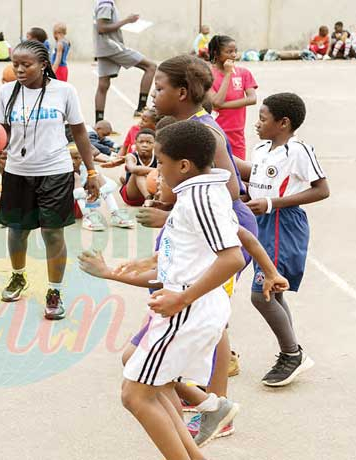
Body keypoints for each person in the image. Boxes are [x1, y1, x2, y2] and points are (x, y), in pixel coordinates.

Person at [81, 120, 244, 460]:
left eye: (161, 162)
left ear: (183, 166)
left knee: (135, 396)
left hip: (187, 310)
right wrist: (150, 259)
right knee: (152, 390)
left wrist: (181, 298)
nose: (157, 170)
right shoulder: (201, 193)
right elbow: (193, 247)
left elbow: (231, 259)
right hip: (189, 307)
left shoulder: (199, 198)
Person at [135, 54, 259, 444]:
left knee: (211, 315)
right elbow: (237, 168)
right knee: (202, 311)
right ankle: (201, 395)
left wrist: (171, 210)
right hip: (200, 232)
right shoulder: (189, 128)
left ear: (182, 93)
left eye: (159, 89)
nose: (154, 95)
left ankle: (217, 407)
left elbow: (228, 191)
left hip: (221, 235)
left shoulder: (203, 130)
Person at [0, 40, 100, 320]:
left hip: (55, 170)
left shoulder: (64, 91)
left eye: (26, 64)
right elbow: (1, 131)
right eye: (15, 64)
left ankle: (54, 291)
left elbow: (79, 132)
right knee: (17, 231)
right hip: (18, 171)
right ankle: (18, 277)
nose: (19, 69)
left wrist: (91, 171)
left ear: (43, 64)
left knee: (52, 232)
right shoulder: (6, 92)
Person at [244, 92, 329, 387]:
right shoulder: (261, 149)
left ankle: (292, 354)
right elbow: (255, 183)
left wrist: (272, 203)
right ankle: (291, 353)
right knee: (274, 291)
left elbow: (321, 190)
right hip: (261, 223)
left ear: (283, 123)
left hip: (283, 223)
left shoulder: (298, 150)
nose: (257, 124)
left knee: (262, 293)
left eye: (263, 118)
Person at [94, 0, 158, 121]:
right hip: (112, 47)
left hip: (103, 48)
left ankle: (99, 123)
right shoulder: (106, 4)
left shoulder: (102, 3)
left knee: (103, 84)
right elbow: (102, 28)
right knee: (151, 67)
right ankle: (141, 107)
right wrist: (127, 21)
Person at [207, 35, 258, 160]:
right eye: (229, 52)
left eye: (235, 51)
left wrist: (223, 106)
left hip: (237, 134)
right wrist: (228, 74)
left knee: (239, 172)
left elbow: (252, 99)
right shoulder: (207, 74)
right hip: (215, 132)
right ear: (216, 53)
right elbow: (216, 101)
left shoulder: (243, 73)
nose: (234, 55)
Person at [71, 146, 134, 231]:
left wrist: (97, 191)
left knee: (96, 177)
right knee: (77, 178)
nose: (72, 162)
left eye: (76, 158)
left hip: (83, 204)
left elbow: (109, 185)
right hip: (66, 208)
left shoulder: (85, 168)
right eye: (69, 158)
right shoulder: (61, 170)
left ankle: (114, 213)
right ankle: (87, 217)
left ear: (82, 159)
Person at [106, 127, 156, 206]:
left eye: (149, 142)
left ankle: (155, 199)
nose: (145, 145)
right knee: (137, 173)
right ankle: (149, 199)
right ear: (135, 143)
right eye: (141, 142)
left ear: (155, 144)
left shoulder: (157, 157)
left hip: (153, 191)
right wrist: (156, 171)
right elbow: (132, 169)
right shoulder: (131, 156)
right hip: (133, 195)